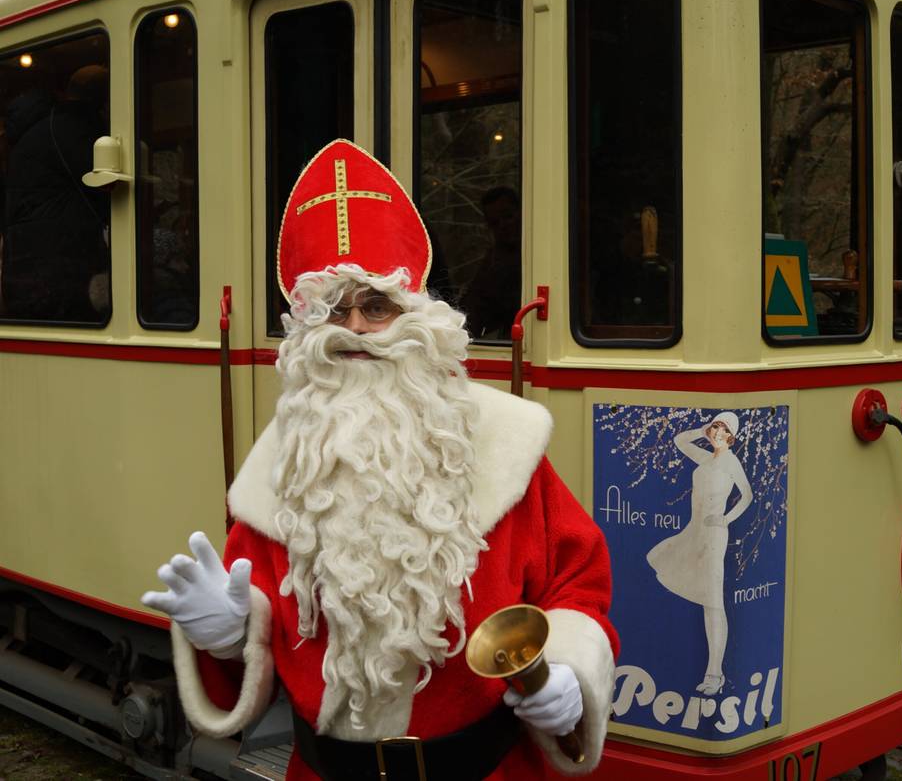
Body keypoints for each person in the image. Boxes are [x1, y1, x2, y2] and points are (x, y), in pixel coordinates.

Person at [142, 139, 617, 780]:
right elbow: (253, 640)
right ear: (307, 333)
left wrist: (567, 671)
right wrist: (228, 636)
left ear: (420, 322)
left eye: (377, 306)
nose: (357, 328)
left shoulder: (507, 444)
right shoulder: (282, 465)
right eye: (334, 311)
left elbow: (576, 585)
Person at [645, 412, 752, 696]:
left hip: (714, 534)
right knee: (701, 593)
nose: (717, 432)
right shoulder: (707, 459)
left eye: (723, 429)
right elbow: (680, 440)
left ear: (731, 436)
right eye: (716, 427)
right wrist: (702, 428)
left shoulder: (730, 461)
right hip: (695, 531)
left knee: (713, 602)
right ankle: (710, 671)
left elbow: (747, 494)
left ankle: (715, 673)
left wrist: (726, 519)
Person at [3, 66, 112, 321]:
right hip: (65, 270)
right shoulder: (74, 130)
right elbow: (104, 189)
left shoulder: (30, 140)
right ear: (103, 100)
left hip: (25, 274)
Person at [462, 185, 521, 339]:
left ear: (523, 213)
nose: (503, 226)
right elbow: (475, 305)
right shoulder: (493, 262)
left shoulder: (540, 253)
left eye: (508, 216)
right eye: (495, 222)